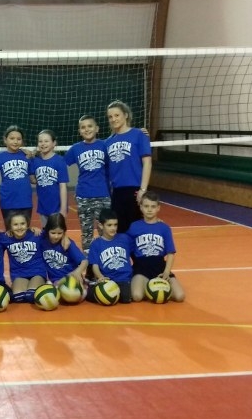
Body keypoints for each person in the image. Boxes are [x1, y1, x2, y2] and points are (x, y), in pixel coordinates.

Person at [64, 115, 111, 250]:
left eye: (90, 126)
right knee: (86, 233)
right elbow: (60, 163)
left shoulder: (105, 145)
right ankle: (88, 259)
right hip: (84, 196)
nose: (87, 129)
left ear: (97, 128)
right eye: (83, 127)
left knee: (105, 231)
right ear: (79, 131)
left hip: (103, 195)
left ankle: (105, 256)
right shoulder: (76, 148)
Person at [128, 191, 185, 302]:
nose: (149, 210)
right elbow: (126, 248)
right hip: (141, 267)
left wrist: (167, 272)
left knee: (180, 296)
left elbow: (171, 253)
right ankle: (150, 286)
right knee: (137, 296)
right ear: (141, 207)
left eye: (153, 206)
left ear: (158, 208)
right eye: (146, 206)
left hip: (160, 267)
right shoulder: (134, 227)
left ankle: (153, 287)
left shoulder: (164, 228)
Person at [105, 100, 152, 233]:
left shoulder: (139, 135)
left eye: (117, 115)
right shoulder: (107, 142)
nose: (113, 119)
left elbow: (147, 163)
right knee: (120, 232)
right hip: (117, 192)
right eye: (110, 117)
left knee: (137, 231)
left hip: (135, 190)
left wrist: (143, 189)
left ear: (125, 115)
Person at [0, 212, 47, 303]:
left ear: (27, 224)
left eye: (22, 224)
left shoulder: (36, 235)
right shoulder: (5, 238)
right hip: (19, 273)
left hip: (37, 271)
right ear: (10, 226)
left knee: (32, 296)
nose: (19, 227)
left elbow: (54, 233)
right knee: (18, 297)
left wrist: (65, 238)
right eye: (15, 224)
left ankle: (45, 285)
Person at [86, 209, 134, 304]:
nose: (113, 228)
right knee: (90, 295)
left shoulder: (125, 238)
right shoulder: (96, 244)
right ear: (101, 225)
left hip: (123, 279)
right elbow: (95, 265)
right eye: (109, 225)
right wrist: (100, 277)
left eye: (115, 225)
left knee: (125, 298)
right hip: (107, 279)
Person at [0, 125, 33, 228]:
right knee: (10, 232)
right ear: (5, 140)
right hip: (8, 202)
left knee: (24, 231)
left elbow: (33, 179)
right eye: (12, 138)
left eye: (18, 139)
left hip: (25, 201)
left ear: (22, 141)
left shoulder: (27, 156)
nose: (15, 141)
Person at [40, 213, 88, 291]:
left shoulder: (68, 244)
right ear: (47, 231)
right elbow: (32, 232)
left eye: (60, 233)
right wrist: (33, 229)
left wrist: (77, 272)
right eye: (53, 233)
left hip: (70, 278)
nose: (56, 236)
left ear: (64, 232)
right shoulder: (42, 239)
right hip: (55, 281)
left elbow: (85, 261)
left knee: (71, 294)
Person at [31, 129, 69, 226]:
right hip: (43, 206)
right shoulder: (35, 161)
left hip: (57, 207)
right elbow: (33, 180)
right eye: (40, 141)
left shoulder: (59, 161)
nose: (43, 144)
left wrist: (63, 209)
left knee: (57, 232)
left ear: (54, 143)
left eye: (46, 141)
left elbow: (63, 186)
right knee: (45, 233)